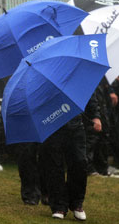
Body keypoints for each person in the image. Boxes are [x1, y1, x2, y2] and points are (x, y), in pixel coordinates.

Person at [40, 92, 101, 220]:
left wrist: (95, 116)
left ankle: (77, 204)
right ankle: (58, 206)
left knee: (80, 163)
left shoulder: (76, 73)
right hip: (51, 124)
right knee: (54, 167)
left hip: (75, 125)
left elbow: (88, 92)